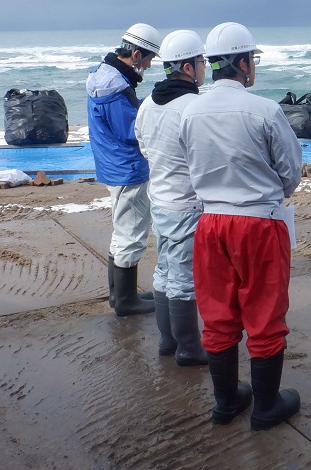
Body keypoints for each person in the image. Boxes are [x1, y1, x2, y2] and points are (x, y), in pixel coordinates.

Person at [179, 22, 303, 430]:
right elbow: (290, 174)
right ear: (244, 62)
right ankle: (266, 407)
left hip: (210, 222)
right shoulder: (264, 110)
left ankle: (227, 401)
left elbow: (189, 164)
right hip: (259, 223)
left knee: (218, 313)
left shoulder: (190, 110)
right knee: (265, 313)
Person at [134, 29, 208, 366]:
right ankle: (190, 348)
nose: (205, 67)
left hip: (160, 198)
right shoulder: (194, 105)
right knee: (182, 280)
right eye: (202, 61)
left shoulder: (148, 103)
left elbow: (144, 146)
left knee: (163, 271)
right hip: (186, 204)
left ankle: (167, 341)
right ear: (189, 67)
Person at [86, 23, 160, 317]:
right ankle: (127, 300)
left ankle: (119, 296)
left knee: (122, 229)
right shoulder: (115, 87)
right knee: (132, 230)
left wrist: (142, 104)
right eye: (150, 58)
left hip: (112, 164)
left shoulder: (103, 76)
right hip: (126, 167)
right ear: (137, 54)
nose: (151, 64)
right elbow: (129, 130)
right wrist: (154, 111)